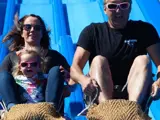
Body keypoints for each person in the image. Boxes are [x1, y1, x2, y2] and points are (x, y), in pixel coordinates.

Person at [70, 0, 160, 111]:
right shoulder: (92, 32)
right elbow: (74, 68)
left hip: (134, 91)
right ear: (105, 9)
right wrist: (83, 80)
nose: (118, 10)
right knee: (98, 60)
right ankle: (107, 112)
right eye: (112, 6)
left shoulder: (144, 30)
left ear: (130, 7)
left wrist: (159, 82)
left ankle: (133, 111)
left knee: (143, 59)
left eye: (123, 5)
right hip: (101, 93)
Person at [0, 14, 70, 114]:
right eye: (28, 27)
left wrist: (67, 83)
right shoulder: (11, 58)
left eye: (37, 28)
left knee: (56, 70)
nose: (32, 30)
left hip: (46, 108)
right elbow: (3, 82)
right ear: (22, 32)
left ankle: (51, 110)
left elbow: (72, 82)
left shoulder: (54, 56)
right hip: (20, 109)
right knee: (3, 75)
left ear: (42, 33)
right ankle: (13, 110)